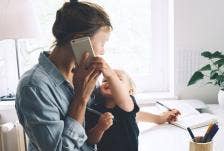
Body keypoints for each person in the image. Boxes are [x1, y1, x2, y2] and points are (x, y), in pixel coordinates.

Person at [15, 1, 114, 150]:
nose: (102, 51)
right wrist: (80, 97)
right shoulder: (34, 87)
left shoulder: (82, 73)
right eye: (102, 42)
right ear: (80, 39)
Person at [85, 69, 180, 151]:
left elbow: (133, 114)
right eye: (105, 80)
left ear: (129, 91)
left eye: (117, 80)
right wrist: (100, 128)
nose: (110, 82)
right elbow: (91, 140)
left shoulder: (128, 103)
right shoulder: (95, 109)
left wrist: (160, 118)